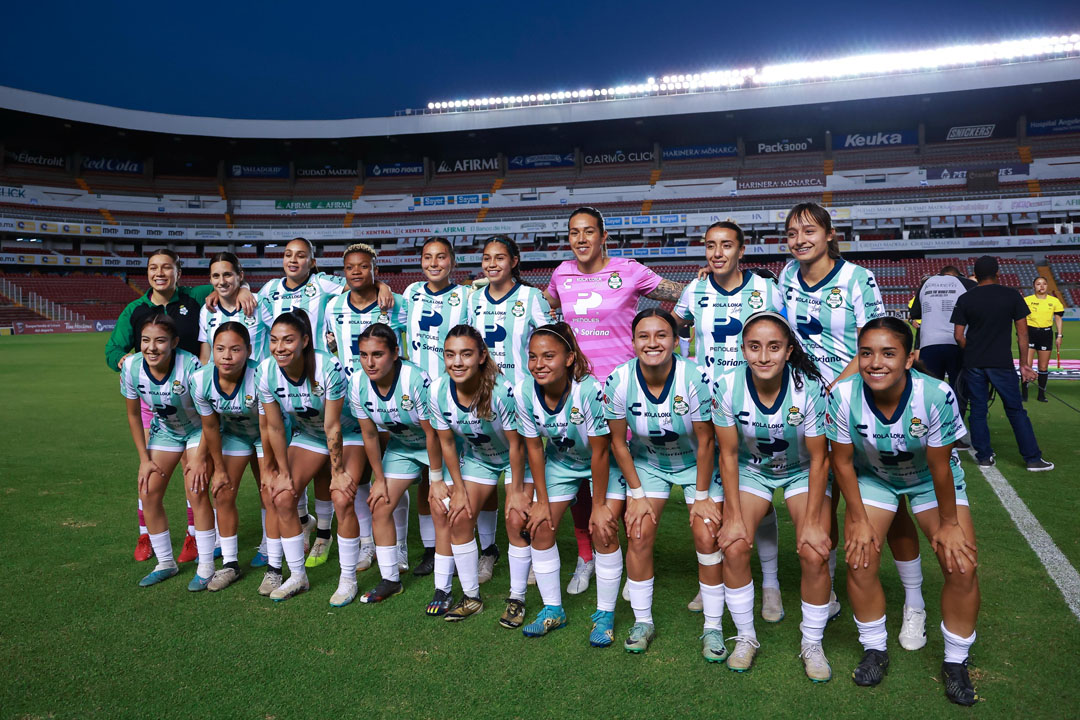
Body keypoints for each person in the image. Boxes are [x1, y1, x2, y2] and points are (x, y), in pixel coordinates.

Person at [780, 202, 927, 648]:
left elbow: (873, 343)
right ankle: (836, 589)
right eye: (791, 233)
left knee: (887, 500)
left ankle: (915, 602)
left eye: (809, 230)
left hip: (853, 401)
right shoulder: (786, 276)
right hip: (807, 407)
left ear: (829, 234)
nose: (800, 239)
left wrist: (836, 390)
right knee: (824, 494)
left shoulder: (857, 278)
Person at [827, 318, 981, 706]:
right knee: (860, 559)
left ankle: (955, 660)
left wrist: (948, 525)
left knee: (960, 563)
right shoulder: (843, 395)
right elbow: (842, 463)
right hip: (876, 479)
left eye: (888, 353)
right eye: (866, 353)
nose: (875, 363)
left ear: (910, 359)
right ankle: (874, 648)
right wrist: (859, 520)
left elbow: (941, 466)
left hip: (929, 480)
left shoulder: (936, 394)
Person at [543, 206, 688, 597]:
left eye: (589, 231)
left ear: (604, 235)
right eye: (574, 232)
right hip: (577, 389)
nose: (581, 239)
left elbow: (679, 294)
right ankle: (588, 557)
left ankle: (624, 560)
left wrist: (702, 284)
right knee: (581, 479)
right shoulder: (561, 273)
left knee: (618, 477)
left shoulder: (629, 270)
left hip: (622, 390)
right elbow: (545, 304)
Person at [107, 248, 255, 564]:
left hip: (195, 395)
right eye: (152, 268)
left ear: (179, 272)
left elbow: (226, 285)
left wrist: (243, 289)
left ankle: (194, 537)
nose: (159, 273)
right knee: (148, 475)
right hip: (152, 400)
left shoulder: (194, 296)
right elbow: (113, 348)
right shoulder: (135, 309)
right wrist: (121, 362)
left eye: (167, 267)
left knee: (196, 477)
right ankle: (147, 535)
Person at [256, 237, 393, 569]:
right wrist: (238, 292)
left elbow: (359, 276)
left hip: (332, 386)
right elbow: (270, 426)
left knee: (347, 481)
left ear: (312, 261)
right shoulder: (269, 290)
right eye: (287, 254)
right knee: (283, 485)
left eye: (301, 254)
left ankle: (350, 540)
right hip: (296, 392)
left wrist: (383, 283)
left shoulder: (325, 287)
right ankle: (289, 550)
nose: (293, 259)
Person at [714, 312, 832, 679]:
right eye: (754, 347)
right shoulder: (727, 386)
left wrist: (812, 523)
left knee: (813, 551)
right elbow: (729, 454)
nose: (764, 356)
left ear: (788, 351)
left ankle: (812, 642)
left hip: (801, 472)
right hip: (753, 470)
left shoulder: (808, 388)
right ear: (743, 350)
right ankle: (746, 637)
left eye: (774, 347)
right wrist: (732, 515)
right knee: (733, 544)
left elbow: (818, 458)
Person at [679, 220, 786, 619]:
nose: (717, 253)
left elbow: (782, 337)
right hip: (707, 405)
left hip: (755, 403)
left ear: (742, 249)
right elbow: (676, 326)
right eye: (710, 246)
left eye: (726, 245)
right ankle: (712, 578)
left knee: (757, 491)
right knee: (717, 494)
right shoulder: (695, 289)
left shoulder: (765, 289)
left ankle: (771, 584)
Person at [603, 309, 719, 655]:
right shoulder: (618, 380)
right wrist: (636, 495)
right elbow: (618, 443)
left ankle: (713, 627)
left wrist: (701, 497)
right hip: (649, 463)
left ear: (674, 340)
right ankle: (643, 621)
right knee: (637, 530)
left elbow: (707, 442)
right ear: (633, 340)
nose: (652, 343)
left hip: (694, 463)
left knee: (707, 532)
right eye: (644, 336)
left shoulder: (694, 377)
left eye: (661, 335)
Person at [514, 323, 621, 641]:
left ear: (570, 358)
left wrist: (599, 505)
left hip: (601, 462)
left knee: (603, 529)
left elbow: (601, 452)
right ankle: (553, 610)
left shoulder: (588, 390)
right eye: (533, 357)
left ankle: (605, 615)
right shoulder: (523, 391)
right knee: (540, 527)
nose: (539, 364)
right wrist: (542, 502)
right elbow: (534, 447)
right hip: (560, 463)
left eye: (549, 356)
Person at [257, 310, 367, 604]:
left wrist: (338, 472)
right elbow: (274, 425)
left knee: (342, 497)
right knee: (281, 496)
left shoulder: (327, 367)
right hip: (308, 434)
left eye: (288, 340)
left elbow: (333, 425)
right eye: (274, 340)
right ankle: (297, 576)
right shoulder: (266, 371)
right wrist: (279, 472)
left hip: (348, 433)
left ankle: (347, 580)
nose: (280, 347)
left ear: (305, 341)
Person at [404, 237, 498, 582]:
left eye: (441, 257)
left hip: (461, 395)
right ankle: (434, 547)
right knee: (430, 473)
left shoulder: (467, 297)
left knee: (478, 473)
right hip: (421, 398)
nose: (434, 262)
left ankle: (487, 547)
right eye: (427, 257)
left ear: (452, 262)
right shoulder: (410, 293)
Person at [428, 324, 530, 624]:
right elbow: (446, 441)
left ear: (482, 356)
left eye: (466, 354)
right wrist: (457, 487)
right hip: (479, 459)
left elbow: (518, 445)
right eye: (450, 355)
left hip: (515, 459)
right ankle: (471, 597)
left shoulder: (502, 391)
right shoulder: (437, 390)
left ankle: (517, 599)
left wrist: (514, 490)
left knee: (516, 518)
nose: (457, 362)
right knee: (458, 516)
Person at [325, 243, 412, 573]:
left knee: (390, 472)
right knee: (359, 477)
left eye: (364, 266)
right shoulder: (334, 306)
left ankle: (400, 545)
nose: (357, 271)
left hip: (388, 398)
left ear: (375, 269)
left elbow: (406, 342)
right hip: (350, 400)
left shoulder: (394, 303)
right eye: (350, 267)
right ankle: (367, 543)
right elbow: (330, 344)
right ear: (344, 271)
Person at [347, 323, 448, 607]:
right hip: (403, 447)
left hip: (438, 444)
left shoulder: (415, 380)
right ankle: (390, 579)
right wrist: (378, 478)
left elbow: (434, 433)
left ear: (395, 353)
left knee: (441, 507)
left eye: (377, 354)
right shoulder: (357, 383)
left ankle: (443, 585)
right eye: (363, 355)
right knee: (380, 504)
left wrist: (437, 478)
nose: (370, 362)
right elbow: (369, 434)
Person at [119, 313, 213, 588]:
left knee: (196, 489)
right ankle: (166, 563)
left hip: (199, 431)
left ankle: (206, 567)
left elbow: (209, 416)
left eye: (160, 341)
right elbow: (135, 415)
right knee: (147, 490)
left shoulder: (191, 366)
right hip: (167, 432)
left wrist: (198, 458)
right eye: (145, 340)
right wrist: (144, 459)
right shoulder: (132, 367)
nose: (151, 347)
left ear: (174, 343)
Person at [197, 252, 274, 567]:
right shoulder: (208, 308)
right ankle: (221, 540)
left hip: (262, 398)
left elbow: (285, 333)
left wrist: (248, 291)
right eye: (215, 277)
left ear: (240, 275)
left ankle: (271, 544)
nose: (221, 282)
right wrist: (208, 386)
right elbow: (205, 352)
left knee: (267, 482)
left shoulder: (258, 304)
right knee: (222, 479)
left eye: (227, 275)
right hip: (229, 407)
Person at [950, 256, 1054, 471]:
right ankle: (1032, 459)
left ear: (976, 275)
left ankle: (984, 456)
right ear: (998, 273)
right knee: (1015, 410)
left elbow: (959, 336)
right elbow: (1022, 334)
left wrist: (971, 352)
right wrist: (1025, 364)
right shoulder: (1011, 295)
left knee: (977, 410)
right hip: (1001, 363)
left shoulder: (965, 298)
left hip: (974, 363)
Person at [187, 322, 265, 591]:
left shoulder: (263, 374)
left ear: (249, 351)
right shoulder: (200, 379)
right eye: (220, 349)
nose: (227, 356)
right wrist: (218, 468)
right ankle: (230, 563)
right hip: (235, 434)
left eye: (235, 349)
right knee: (222, 491)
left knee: (268, 491)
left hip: (267, 434)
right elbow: (210, 427)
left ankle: (270, 548)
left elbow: (274, 425)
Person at [469, 235, 552, 387]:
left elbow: (554, 342)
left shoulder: (532, 296)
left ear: (513, 262)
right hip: (483, 392)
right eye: (487, 258)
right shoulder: (473, 299)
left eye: (499, 258)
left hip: (522, 392)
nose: (492, 264)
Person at [910, 265, 974, 425]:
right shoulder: (965, 283)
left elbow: (915, 313)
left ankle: (928, 425)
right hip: (956, 342)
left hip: (929, 343)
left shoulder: (927, 283)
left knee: (930, 389)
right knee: (958, 387)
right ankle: (956, 427)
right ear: (957, 275)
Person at [1021, 277, 1065, 403]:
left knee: (1043, 366)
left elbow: (1058, 319)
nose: (1041, 286)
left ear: (1047, 286)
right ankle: (1024, 394)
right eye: (1038, 284)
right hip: (1030, 333)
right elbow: (1021, 319)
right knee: (1027, 365)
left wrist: (1059, 336)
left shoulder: (1054, 301)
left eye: (1044, 284)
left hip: (1046, 334)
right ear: (1034, 286)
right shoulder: (1027, 300)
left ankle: (1041, 395)